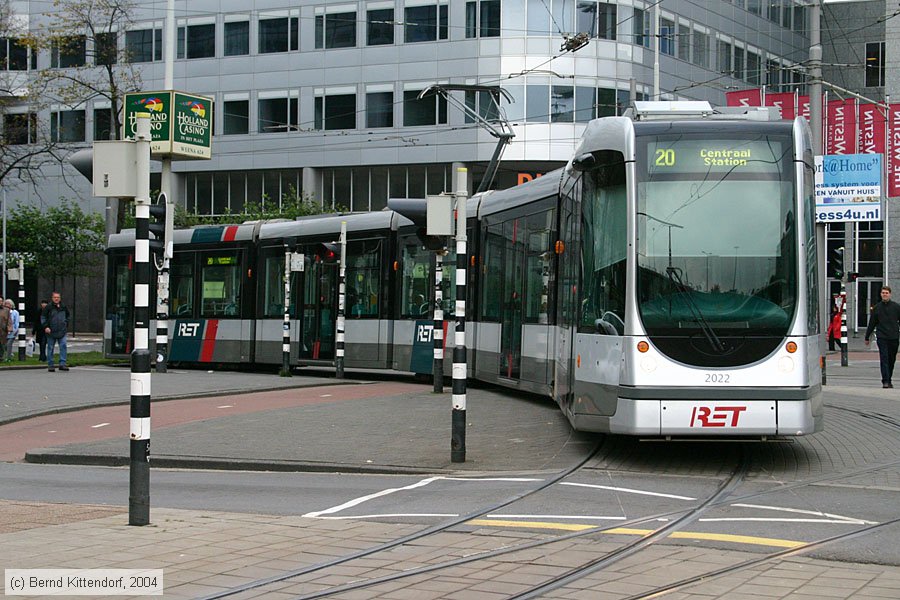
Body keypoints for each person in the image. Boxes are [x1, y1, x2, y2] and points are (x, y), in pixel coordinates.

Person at [864, 285, 900, 388]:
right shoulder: (877, 308)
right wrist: (867, 336)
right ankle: (885, 381)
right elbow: (872, 323)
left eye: (886, 293)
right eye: (883, 293)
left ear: (890, 294)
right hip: (882, 336)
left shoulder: (896, 307)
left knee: (891, 359)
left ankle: (889, 379)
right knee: (884, 358)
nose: (884, 295)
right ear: (881, 294)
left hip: (894, 336)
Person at [41, 291, 70, 372]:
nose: (56, 299)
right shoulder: (48, 307)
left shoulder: (63, 306)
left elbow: (68, 316)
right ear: (52, 298)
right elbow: (43, 317)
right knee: (50, 347)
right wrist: (46, 327)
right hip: (51, 331)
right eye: (55, 297)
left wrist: (66, 324)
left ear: (60, 298)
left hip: (62, 330)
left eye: (58, 297)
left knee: (63, 346)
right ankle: (50, 364)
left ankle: (62, 363)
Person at [0, 297, 9, 362]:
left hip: (3, 331)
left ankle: (1, 357)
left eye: (1, 301)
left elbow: (9, 320)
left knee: (2, 344)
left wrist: (9, 328)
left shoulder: (6, 310)